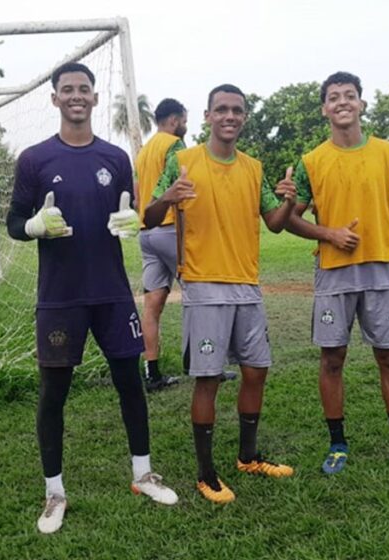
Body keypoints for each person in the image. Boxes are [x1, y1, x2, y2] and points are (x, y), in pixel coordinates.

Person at [6, 62, 177, 535]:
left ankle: (143, 474)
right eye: (67, 90)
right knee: (53, 394)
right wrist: (35, 227)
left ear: (96, 98)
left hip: (112, 295)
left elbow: (130, 213)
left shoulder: (116, 158)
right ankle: (54, 492)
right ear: (55, 99)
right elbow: (14, 223)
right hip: (60, 298)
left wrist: (131, 224)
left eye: (84, 89)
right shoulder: (35, 160)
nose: (77, 96)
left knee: (130, 383)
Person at [143, 84, 297, 504]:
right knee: (208, 378)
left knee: (256, 370)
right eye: (221, 110)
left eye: (237, 110)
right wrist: (170, 197)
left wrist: (288, 201)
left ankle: (248, 456)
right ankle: (206, 473)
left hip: (247, 284)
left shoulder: (254, 168)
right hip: (205, 285)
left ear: (244, 118)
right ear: (208, 116)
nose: (230, 116)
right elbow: (149, 214)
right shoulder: (182, 161)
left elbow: (275, 223)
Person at [285, 71, 389, 476]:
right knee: (332, 358)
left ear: (362, 104)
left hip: (381, 270)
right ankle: (337, 445)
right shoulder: (311, 162)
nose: (342, 102)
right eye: (334, 97)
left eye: (350, 95)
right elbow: (289, 220)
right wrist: (328, 233)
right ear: (324, 109)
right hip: (333, 274)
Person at [135, 98, 187, 392]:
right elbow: (183, 181)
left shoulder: (144, 151)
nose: (184, 125)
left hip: (147, 231)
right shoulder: (174, 145)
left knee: (152, 306)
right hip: (169, 227)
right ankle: (205, 364)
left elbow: (137, 189)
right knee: (197, 293)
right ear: (175, 119)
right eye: (184, 119)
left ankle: (151, 373)